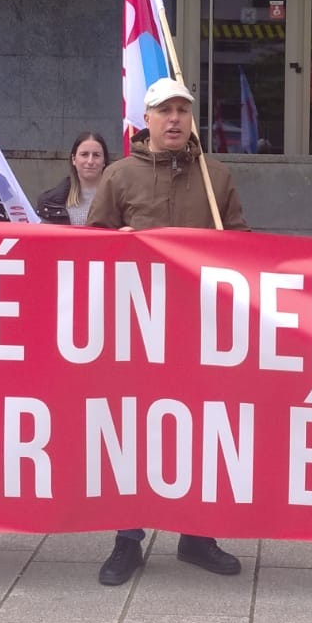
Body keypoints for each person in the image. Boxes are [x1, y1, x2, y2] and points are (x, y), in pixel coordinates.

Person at [88, 78, 247, 586]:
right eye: (165, 111)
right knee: (134, 432)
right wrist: (116, 245)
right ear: (147, 119)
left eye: (182, 110)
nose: (175, 119)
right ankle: (127, 539)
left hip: (200, 328)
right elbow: (90, 248)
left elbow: (244, 245)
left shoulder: (215, 176)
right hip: (137, 329)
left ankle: (197, 535)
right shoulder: (118, 176)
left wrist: (228, 250)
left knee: (200, 429)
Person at [38, 132, 110, 225]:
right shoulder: (49, 203)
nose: (90, 161)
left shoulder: (119, 200)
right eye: (84, 154)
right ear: (74, 159)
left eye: (96, 155)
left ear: (104, 161)